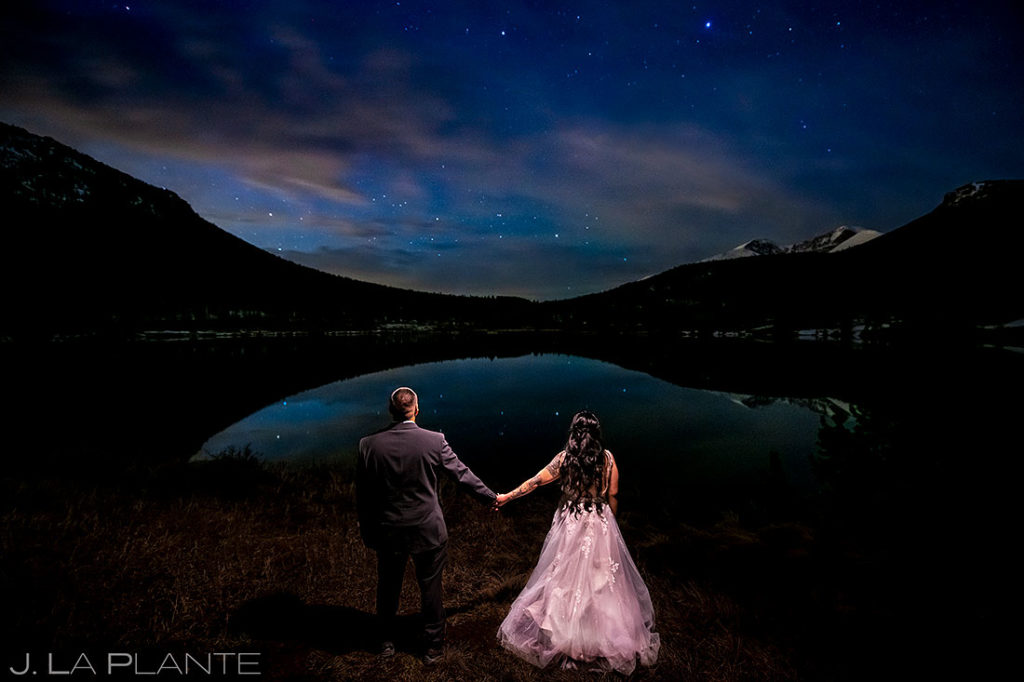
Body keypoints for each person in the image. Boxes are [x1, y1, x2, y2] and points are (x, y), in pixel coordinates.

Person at [494, 410, 659, 674]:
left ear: (573, 433)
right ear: (597, 434)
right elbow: (613, 493)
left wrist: (506, 497)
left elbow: (534, 482)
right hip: (600, 521)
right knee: (602, 581)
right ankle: (600, 634)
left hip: (571, 523)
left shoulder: (564, 460)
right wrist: (610, 521)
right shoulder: (607, 459)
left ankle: (567, 633)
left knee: (565, 578)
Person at [357, 387, 497, 664]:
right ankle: (433, 648)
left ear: (390, 411)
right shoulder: (434, 441)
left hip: (388, 531)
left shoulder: (368, 445)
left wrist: (367, 530)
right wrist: (490, 498)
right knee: (430, 588)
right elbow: (461, 475)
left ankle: (386, 642)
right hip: (427, 530)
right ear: (417, 410)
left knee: (388, 587)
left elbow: (363, 495)